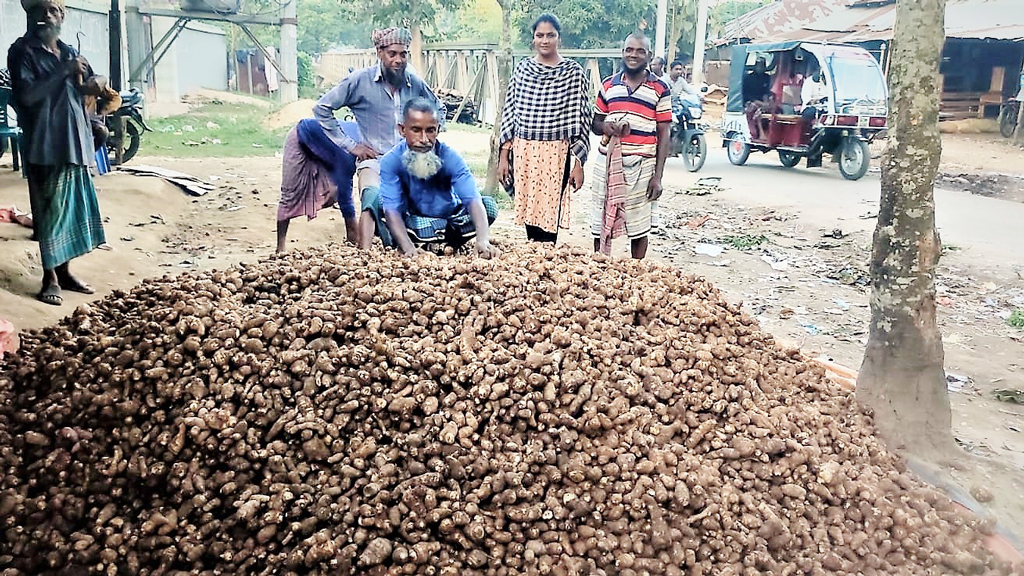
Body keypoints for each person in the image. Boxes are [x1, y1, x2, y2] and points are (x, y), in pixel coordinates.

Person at [8, 0, 107, 306]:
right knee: (49, 212)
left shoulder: (69, 52)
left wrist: (96, 85)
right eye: (38, 9)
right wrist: (64, 72)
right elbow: (27, 96)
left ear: (62, 16)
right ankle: (49, 277)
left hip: (74, 139)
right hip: (44, 141)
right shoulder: (22, 52)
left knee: (70, 211)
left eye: (52, 10)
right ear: (29, 14)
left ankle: (65, 273)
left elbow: (93, 83)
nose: (45, 16)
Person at [313, 27, 445, 249]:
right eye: (392, 54)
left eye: (403, 54)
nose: (398, 60)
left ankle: (426, 246)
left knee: (434, 197)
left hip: (409, 160)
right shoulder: (360, 81)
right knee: (371, 197)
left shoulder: (414, 83)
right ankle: (366, 256)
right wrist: (351, 145)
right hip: (375, 159)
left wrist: (427, 140)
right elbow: (322, 108)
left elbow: (439, 109)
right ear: (379, 52)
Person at [497, 13, 593, 244]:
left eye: (551, 35)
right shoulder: (522, 71)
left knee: (550, 215)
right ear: (533, 38)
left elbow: (582, 119)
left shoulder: (573, 73)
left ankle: (547, 259)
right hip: (524, 152)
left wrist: (578, 164)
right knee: (529, 211)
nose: (545, 40)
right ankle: (534, 262)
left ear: (559, 38)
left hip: (556, 153)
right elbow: (510, 113)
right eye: (540, 35)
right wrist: (503, 157)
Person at [375, 98, 499, 258]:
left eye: (430, 130)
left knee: (488, 206)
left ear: (438, 130)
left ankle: (444, 243)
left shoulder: (450, 157)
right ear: (402, 130)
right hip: (415, 223)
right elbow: (391, 208)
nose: (424, 139)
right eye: (416, 130)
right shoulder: (391, 161)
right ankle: (420, 243)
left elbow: (472, 199)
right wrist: (408, 248)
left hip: (451, 222)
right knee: (381, 203)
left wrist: (483, 240)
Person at [590, 34, 670, 260]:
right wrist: (608, 126)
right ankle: (600, 267)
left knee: (639, 226)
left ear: (649, 55)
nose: (633, 55)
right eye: (629, 50)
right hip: (608, 163)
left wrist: (658, 176)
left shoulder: (660, 88)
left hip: (643, 165)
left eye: (640, 51)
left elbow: (664, 133)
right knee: (601, 219)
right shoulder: (608, 85)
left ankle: (636, 272)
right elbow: (595, 123)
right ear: (622, 52)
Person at [276, 119, 362, 252]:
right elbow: (347, 198)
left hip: (326, 148)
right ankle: (280, 247)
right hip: (301, 138)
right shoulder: (350, 153)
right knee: (290, 194)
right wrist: (353, 236)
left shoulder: (368, 139)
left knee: (332, 193)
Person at [743, 56, 773, 140]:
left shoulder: (767, 77)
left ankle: (771, 134)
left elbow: (766, 92)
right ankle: (760, 134)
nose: (760, 67)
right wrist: (755, 102)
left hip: (762, 101)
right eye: (759, 65)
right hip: (750, 101)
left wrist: (766, 103)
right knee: (756, 109)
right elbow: (745, 94)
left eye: (762, 65)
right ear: (755, 65)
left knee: (776, 110)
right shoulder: (748, 78)